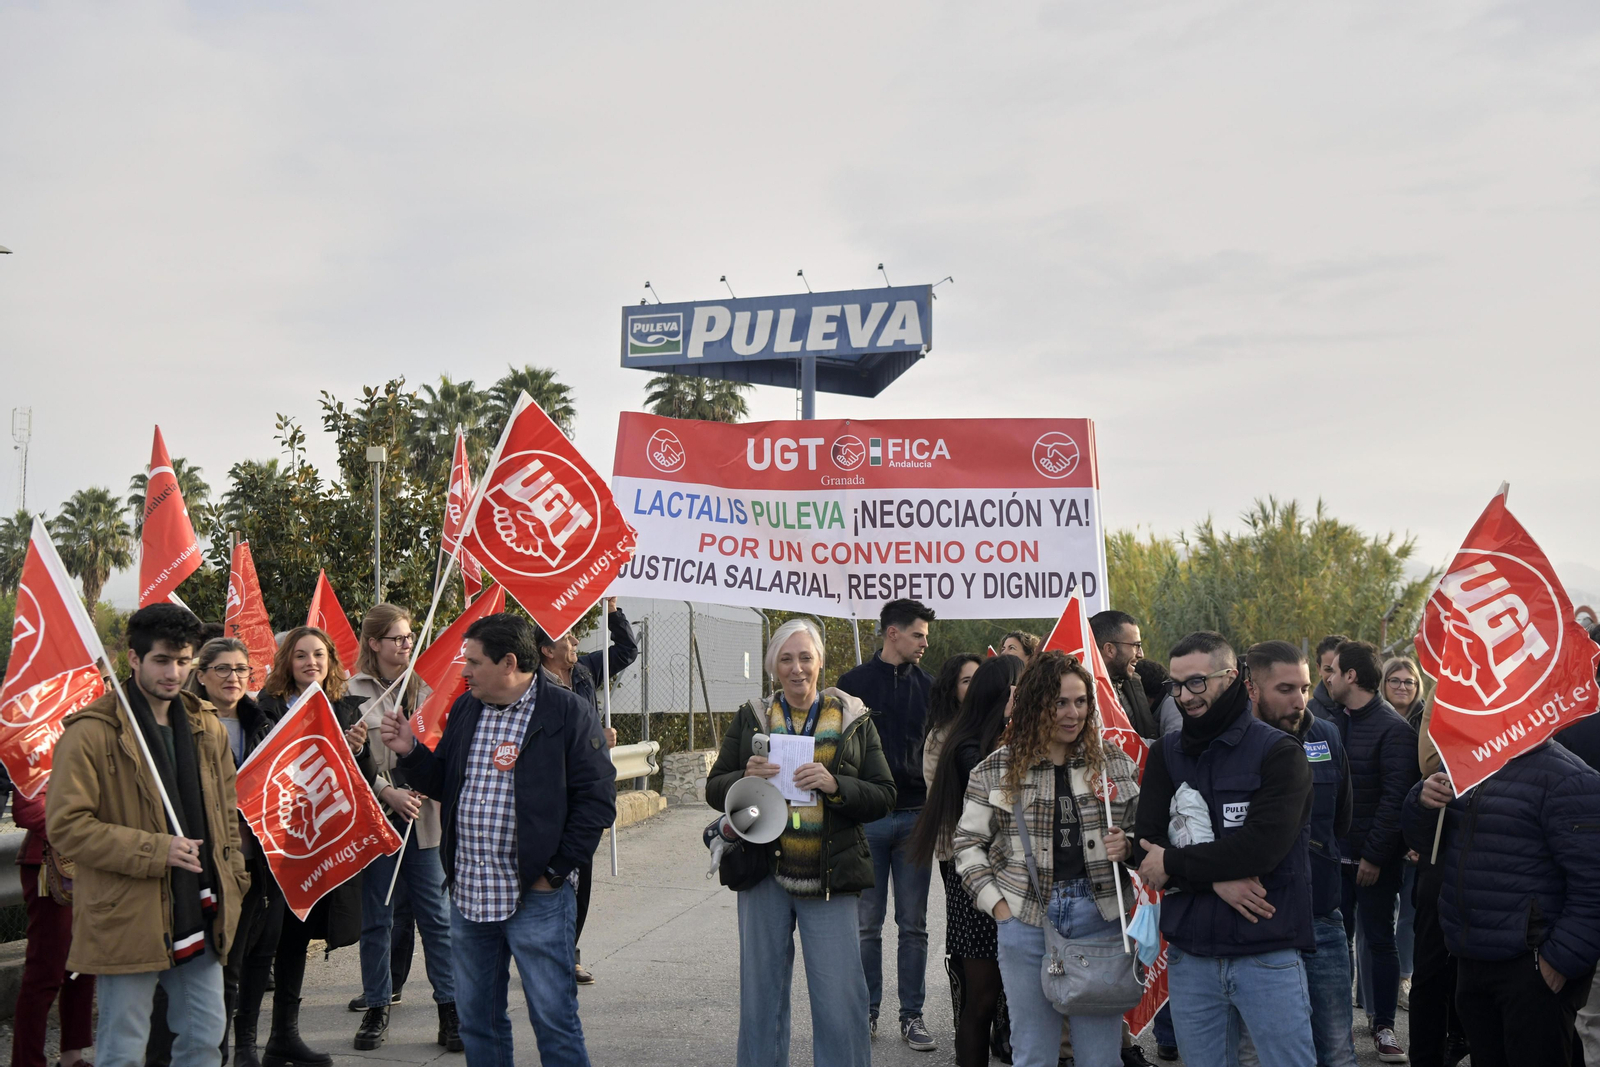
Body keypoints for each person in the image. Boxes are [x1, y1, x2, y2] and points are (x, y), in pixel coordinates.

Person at [379, 612, 617, 1067]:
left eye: (473, 661)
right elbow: (446, 781)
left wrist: (554, 872)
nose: (464, 671)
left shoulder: (567, 713)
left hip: (537, 898)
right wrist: (410, 751)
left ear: (508, 663)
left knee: (554, 1020)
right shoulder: (468, 706)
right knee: (477, 1022)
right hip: (470, 897)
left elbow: (597, 802)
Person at [47, 604, 249, 1067]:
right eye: (162, 660)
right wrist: (156, 850)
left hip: (201, 906)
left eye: (184, 662)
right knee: (123, 1046)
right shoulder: (91, 733)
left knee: (205, 1037)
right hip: (127, 913)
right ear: (134, 659)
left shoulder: (206, 725)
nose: (174, 672)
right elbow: (66, 826)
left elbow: (227, 813)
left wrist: (233, 877)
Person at [704, 618, 897, 1067]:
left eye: (805, 658)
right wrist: (744, 776)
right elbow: (715, 788)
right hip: (763, 873)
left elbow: (885, 793)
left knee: (839, 1001)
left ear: (820, 662)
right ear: (774, 666)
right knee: (761, 997)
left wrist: (835, 784)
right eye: (786, 659)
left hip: (829, 876)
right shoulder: (752, 715)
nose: (796, 669)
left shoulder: (852, 716)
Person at [1128, 631, 1316, 1067]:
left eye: (1196, 682)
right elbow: (1145, 849)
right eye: (1175, 686)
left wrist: (1176, 862)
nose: (1184, 697)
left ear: (1230, 678)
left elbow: (1261, 850)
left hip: (1266, 951)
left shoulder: (1280, 753)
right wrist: (1217, 881)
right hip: (1192, 956)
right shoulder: (1167, 753)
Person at [952, 651, 1140, 1067]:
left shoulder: (1111, 761)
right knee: (1034, 1051)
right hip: (1025, 918)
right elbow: (965, 844)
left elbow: (1143, 833)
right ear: (1036, 703)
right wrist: (1000, 909)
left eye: (1080, 701)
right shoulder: (996, 769)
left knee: (1100, 1057)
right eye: (1059, 702)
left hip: (1100, 916)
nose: (1072, 714)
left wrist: (1127, 845)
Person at [1404, 744, 1600, 1066]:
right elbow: (1426, 844)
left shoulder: (1570, 779)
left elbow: (1593, 884)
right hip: (1471, 958)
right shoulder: (1464, 758)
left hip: (1532, 966)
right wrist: (1420, 802)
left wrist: (1559, 961)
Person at [255, 626, 375, 1067]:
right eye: (301, 655)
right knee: (262, 943)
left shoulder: (345, 711)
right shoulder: (262, 710)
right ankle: (247, 1043)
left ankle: (283, 1036)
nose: (311, 662)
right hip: (272, 849)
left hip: (317, 848)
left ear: (331, 662)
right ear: (287, 660)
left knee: (295, 939)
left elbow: (361, 785)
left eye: (319, 655)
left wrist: (359, 752)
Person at [346, 604, 461, 1053]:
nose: (406, 644)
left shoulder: (429, 686)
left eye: (410, 636)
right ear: (373, 643)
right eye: (396, 637)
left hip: (424, 820)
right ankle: (377, 1007)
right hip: (377, 821)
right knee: (377, 918)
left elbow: (441, 747)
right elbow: (345, 759)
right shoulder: (350, 691)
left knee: (437, 918)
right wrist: (385, 791)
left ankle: (449, 1009)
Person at [1239, 641, 1357, 1067]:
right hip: (1257, 920)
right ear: (1251, 688)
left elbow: (1340, 820)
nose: (1299, 700)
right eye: (1286, 689)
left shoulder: (1326, 735)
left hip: (1321, 916)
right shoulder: (1231, 745)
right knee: (1261, 1054)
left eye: (1305, 688)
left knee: (1338, 1051)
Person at [909, 654, 1023, 1066]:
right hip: (974, 881)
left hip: (1014, 881)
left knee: (1012, 998)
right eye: (1021, 689)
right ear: (1004, 695)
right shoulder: (964, 745)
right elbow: (997, 796)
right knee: (980, 999)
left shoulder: (993, 737)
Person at [836, 598, 940, 1049]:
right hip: (869, 820)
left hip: (917, 819)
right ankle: (867, 1013)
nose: (923, 644)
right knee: (866, 925)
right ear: (892, 633)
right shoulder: (851, 687)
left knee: (913, 925)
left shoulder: (931, 687)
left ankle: (912, 1017)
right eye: (918, 635)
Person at [533, 595, 635, 984]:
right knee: (550, 875)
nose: (576, 643)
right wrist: (595, 736)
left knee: (583, 876)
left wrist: (612, 612)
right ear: (546, 650)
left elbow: (626, 651)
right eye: (567, 639)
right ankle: (544, 954)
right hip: (551, 793)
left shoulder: (586, 672)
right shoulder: (533, 686)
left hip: (585, 793)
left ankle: (568, 952)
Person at [190, 637, 283, 1067]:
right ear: (202, 674)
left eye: (242, 670)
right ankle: (215, 1053)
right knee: (216, 969)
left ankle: (242, 1048)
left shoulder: (260, 721)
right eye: (223, 669)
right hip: (204, 864)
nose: (233, 678)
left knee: (249, 961)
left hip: (253, 862)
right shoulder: (184, 723)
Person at [1326, 640, 1418, 1063]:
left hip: (1373, 862)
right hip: (1331, 856)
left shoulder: (1394, 729)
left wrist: (1375, 856)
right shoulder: (1327, 722)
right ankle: (1334, 1024)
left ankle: (1383, 1027)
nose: (1325, 678)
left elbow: (1395, 799)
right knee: (1334, 942)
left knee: (1379, 939)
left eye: (1332, 671)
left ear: (1351, 676)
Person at [10, 783, 94, 1067]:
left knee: (83, 966)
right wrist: (84, 835)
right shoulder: (43, 741)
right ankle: (28, 1060)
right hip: (49, 864)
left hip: (89, 863)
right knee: (46, 969)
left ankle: (72, 1057)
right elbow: (28, 808)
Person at [1090, 609, 1159, 739]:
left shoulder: (1134, 683)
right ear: (1109, 649)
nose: (1140, 654)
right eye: (1135, 645)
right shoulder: (1085, 692)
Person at [923, 653, 983, 793]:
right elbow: (936, 790)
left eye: (978, 679)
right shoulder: (940, 736)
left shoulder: (997, 725)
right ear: (953, 690)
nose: (975, 686)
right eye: (966, 681)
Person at [1310, 633, 1350, 723]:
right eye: (1329, 670)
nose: (1334, 678)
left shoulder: (1366, 710)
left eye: (1342, 669)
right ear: (1318, 669)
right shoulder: (1307, 713)